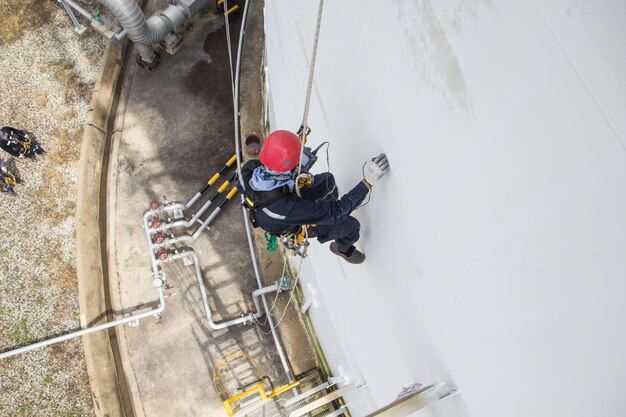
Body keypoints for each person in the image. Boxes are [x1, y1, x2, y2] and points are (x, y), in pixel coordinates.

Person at [241, 130, 389, 264]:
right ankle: (342, 249)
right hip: (293, 223)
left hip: (284, 201)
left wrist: (293, 149)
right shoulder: (284, 207)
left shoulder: (251, 168)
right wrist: (368, 181)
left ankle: (319, 213)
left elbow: (278, 164)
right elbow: (335, 213)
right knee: (351, 226)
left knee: (327, 181)